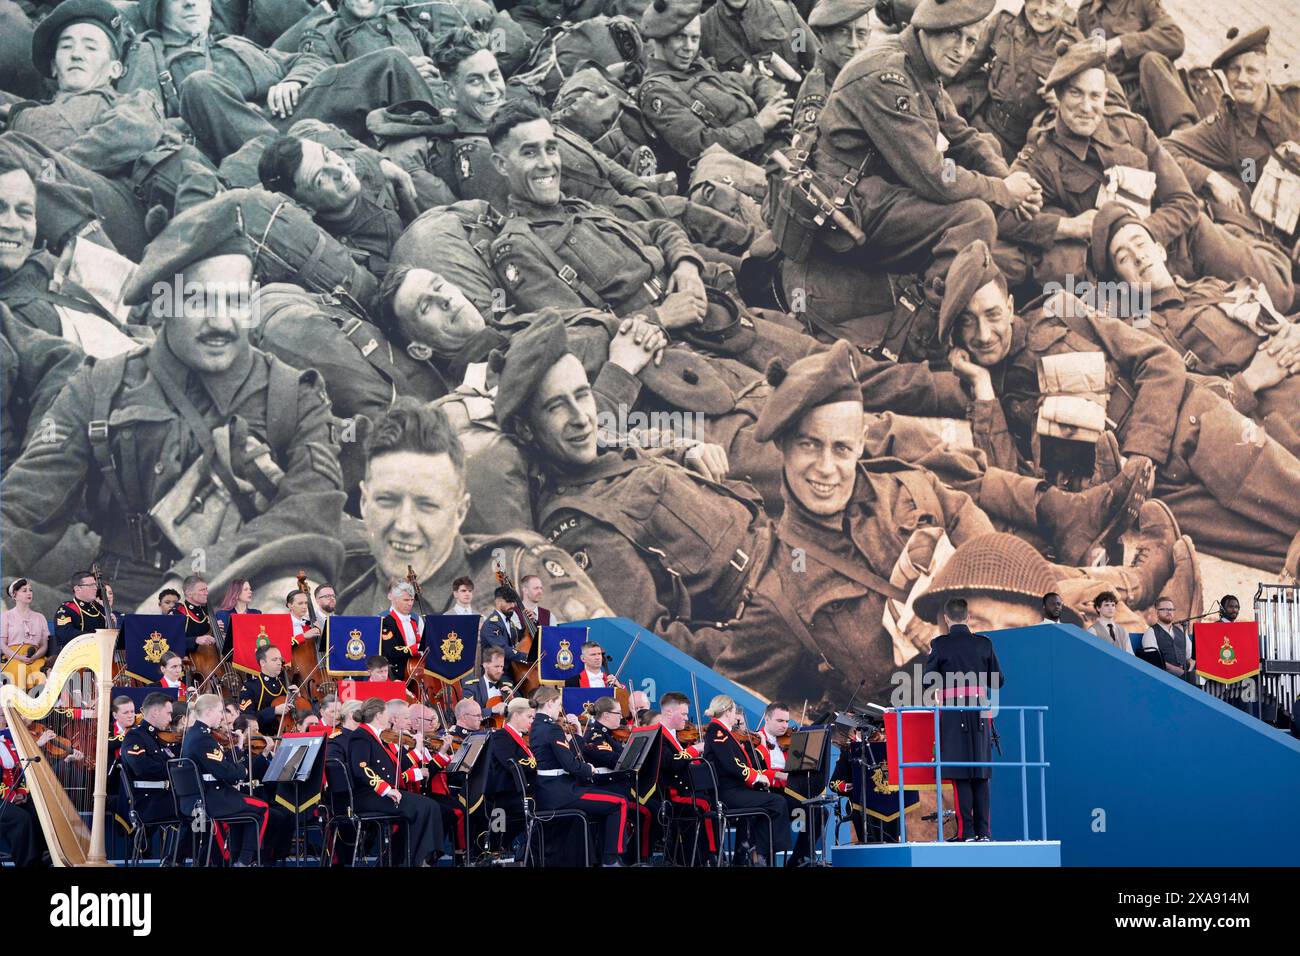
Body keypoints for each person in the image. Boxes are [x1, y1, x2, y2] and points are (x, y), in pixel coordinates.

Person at [0, 192, 347, 609]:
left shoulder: (295, 396)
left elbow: (310, 514)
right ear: (162, 305)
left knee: (291, 601)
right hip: (119, 606)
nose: (220, 321)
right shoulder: (99, 387)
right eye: (198, 300)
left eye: (235, 300)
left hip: (245, 599)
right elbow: (24, 509)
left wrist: (189, 582)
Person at [940, 237, 1300, 573]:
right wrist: (981, 385)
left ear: (1010, 306)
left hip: (1191, 428)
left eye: (991, 314)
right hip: (1159, 495)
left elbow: (1160, 360)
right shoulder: (986, 401)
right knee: (1280, 553)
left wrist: (1141, 453)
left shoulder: (1062, 313)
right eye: (968, 322)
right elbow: (1014, 484)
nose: (984, 334)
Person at [792, 0, 1039, 346]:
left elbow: (962, 135)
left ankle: (950, 305)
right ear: (928, 26)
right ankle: (918, 336)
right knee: (975, 217)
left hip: (876, 193)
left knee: (988, 179)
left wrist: (1012, 183)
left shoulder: (921, 67)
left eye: (971, 41)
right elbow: (937, 177)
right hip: (847, 207)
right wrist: (1001, 190)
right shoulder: (886, 75)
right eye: (954, 35)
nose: (962, 51)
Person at [994, 39, 1293, 310]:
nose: (1087, 107)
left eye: (1095, 96)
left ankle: (1264, 248)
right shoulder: (1040, 158)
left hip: (1184, 239)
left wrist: (1147, 233)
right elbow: (1002, 213)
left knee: (1279, 295)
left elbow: (1183, 201)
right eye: (1076, 94)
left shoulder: (1131, 128)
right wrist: (1068, 227)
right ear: (1058, 95)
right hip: (1131, 271)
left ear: (1106, 96)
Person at [336, 399, 609, 625]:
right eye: (387, 500)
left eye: (427, 505)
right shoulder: (351, 614)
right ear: (363, 503)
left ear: (460, 511)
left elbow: (619, 680)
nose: (405, 524)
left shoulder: (522, 574)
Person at [1089, 203, 1300, 453]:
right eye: (1123, 258)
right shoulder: (1146, 333)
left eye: (1140, 243)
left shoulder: (1208, 287)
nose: (1138, 256)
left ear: (1160, 250)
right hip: (1275, 417)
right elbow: (1185, 413)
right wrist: (1251, 380)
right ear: (1122, 282)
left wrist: (1293, 332)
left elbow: (1271, 316)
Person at [1164, 27, 1300, 253]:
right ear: (1225, 76)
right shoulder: (1223, 127)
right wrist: (1211, 178)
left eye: (1252, 70)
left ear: (1267, 72)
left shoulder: (1295, 102)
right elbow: (1166, 149)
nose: (1242, 79)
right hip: (1279, 232)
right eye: (1235, 70)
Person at [637, 0, 795, 179]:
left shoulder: (698, 67)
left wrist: (771, 104)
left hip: (778, 148)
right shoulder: (657, 92)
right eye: (680, 37)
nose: (689, 47)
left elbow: (755, 82)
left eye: (695, 38)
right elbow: (701, 146)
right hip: (747, 171)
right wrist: (759, 125)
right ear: (660, 39)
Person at [945, 0, 1099, 160]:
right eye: (1036, 1)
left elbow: (1087, 97)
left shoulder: (1073, 42)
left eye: (1051, 3)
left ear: (1063, 5)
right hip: (984, 120)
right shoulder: (1002, 23)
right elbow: (967, 64)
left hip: (1025, 144)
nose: (1041, 10)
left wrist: (1060, 100)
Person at [919, 597, 1003, 841]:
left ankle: (966, 833)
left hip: (954, 716)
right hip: (979, 714)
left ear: (946, 619)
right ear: (968, 617)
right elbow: (998, 681)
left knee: (961, 775)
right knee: (980, 774)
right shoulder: (984, 644)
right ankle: (984, 832)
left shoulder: (940, 644)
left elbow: (927, 681)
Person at [528, 686, 632, 866]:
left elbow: (565, 752)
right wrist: (588, 769)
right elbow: (570, 764)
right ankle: (610, 860)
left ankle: (603, 856)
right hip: (561, 793)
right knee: (619, 802)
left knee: (607, 802)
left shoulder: (536, 726)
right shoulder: (552, 729)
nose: (560, 710)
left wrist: (577, 733)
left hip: (548, 790)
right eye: (559, 705)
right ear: (550, 703)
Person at [1073, 0, 1198, 137]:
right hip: (1118, 96)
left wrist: (1122, 43)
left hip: (1157, 90)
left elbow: (1174, 38)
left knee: (1151, 60)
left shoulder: (1141, 3)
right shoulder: (1085, 13)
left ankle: (1184, 136)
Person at [346, 696, 444, 865]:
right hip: (368, 796)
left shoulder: (377, 736)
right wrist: (386, 789)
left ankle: (411, 858)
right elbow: (362, 768)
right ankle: (412, 860)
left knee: (429, 806)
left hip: (379, 795)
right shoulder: (361, 736)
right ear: (378, 716)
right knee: (424, 807)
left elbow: (396, 768)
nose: (389, 718)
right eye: (386, 714)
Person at [179, 694, 271, 866]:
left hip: (205, 797)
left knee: (245, 812)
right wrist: (243, 769)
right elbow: (227, 772)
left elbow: (222, 762)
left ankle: (237, 858)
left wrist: (239, 748)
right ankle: (244, 861)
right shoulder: (203, 739)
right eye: (220, 712)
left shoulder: (194, 735)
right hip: (213, 798)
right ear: (208, 712)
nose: (222, 716)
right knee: (262, 808)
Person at [701, 694, 790, 865]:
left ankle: (759, 851)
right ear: (728, 711)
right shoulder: (718, 732)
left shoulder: (723, 732)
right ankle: (764, 853)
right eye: (734, 711)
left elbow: (737, 762)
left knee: (771, 800)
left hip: (734, 790)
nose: (736, 716)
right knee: (777, 802)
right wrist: (757, 776)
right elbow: (732, 765)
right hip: (727, 793)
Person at [792, 0, 872, 145]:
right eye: (842, 32)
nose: (854, 44)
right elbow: (809, 151)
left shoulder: (863, 75)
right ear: (823, 36)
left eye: (861, 33)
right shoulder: (816, 94)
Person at [484, 695, 537, 856]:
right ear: (515, 715)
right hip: (507, 795)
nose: (532, 721)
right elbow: (512, 763)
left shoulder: (520, 738)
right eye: (529, 716)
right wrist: (537, 763)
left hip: (520, 792)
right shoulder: (500, 736)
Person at [120, 692, 177, 827]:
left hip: (162, 798)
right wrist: (176, 769)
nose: (170, 719)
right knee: (197, 810)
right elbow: (141, 767)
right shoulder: (135, 736)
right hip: (150, 803)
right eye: (168, 713)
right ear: (155, 712)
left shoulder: (156, 737)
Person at [0, 709, 46, 867]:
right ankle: (26, 863)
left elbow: (19, 769)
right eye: (2, 716)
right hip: (2, 798)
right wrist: (10, 796)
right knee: (21, 818)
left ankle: (40, 856)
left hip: (10, 795)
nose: (5, 719)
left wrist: (20, 792)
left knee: (37, 811)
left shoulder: (7, 741)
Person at [238, 644, 298, 736]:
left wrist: (298, 698)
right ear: (262, 662)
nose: (279, 663)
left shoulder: (285, 683)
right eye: (274, 659)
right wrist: (274, 711)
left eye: (280, 659)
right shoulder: (250, 686)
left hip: (289, 733)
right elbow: (246, 718)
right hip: (263, 737)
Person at [1, 579, 49, 688]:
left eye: (30, 590)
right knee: (20, 670)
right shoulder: (6, 616)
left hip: (35, 657)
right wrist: (19, 657)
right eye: (24, 590)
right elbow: (2, 644)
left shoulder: (40, 617)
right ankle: (19, 704)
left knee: (43, 673)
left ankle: (43, 704)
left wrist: (35, 656)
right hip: (13, 657)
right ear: (14, 595)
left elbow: (44, 645)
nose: (29, 593)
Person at [1141, 595, 1194, 678]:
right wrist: (1176, 670)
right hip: (1164, 679)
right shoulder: (1151, 632)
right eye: (1165, 609)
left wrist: (1190, 669)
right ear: (1157, 612)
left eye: (1171, 609)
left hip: (1186, 678)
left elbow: (1189, 656)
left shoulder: (1181, 631)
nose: (1169, 612)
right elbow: (1154, 661)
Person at [481, 586, 529, 667]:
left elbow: (521, 636)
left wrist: (531, 621)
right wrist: (527, 657)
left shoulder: (508, 621)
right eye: (509, 602)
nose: (513, 605)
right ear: (498, 603)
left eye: (513, 602)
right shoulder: (491, 625)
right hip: (498, 672)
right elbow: (503, 649)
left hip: (512, 669)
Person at [462, 648, 512, 720]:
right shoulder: (472, 688)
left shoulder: (508, 687)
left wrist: (512, 701)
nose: (500, 670)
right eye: (496, 666)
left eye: (502, 666)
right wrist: (492, 710)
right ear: (485, 665)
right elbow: (467, 715)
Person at [213, 579, 260, 644]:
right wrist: (216, 631)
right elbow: (220, 641)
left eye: (250, 589)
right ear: (236, 593)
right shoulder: (222, 614)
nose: (250, 592)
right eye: (246, 589)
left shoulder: (256, 613)